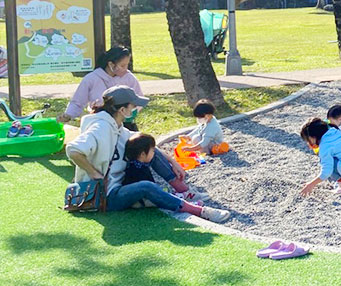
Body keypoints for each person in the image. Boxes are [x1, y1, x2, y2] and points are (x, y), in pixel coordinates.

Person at [65, 86, 228, 221]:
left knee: (147, 146)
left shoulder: (116, 126)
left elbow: (145, 143)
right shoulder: (101, 127)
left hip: (119, 185)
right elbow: (73, 150)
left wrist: (173, 162)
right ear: (123, 110)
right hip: (104, 196)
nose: (136, 109)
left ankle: (184, 191)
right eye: (133, 106)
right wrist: (95, 174)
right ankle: (200, 211)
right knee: (147, 187)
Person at [59, 45, 142, 126]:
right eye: (122, 65)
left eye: (127, 65)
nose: (125, 69)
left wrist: (131, 113)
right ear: (111, 64)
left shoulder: (128, 77)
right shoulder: (92, 78)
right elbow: (78, 101)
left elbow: (139, 98)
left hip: (124, 123)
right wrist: (68, 115)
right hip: (99, 123)